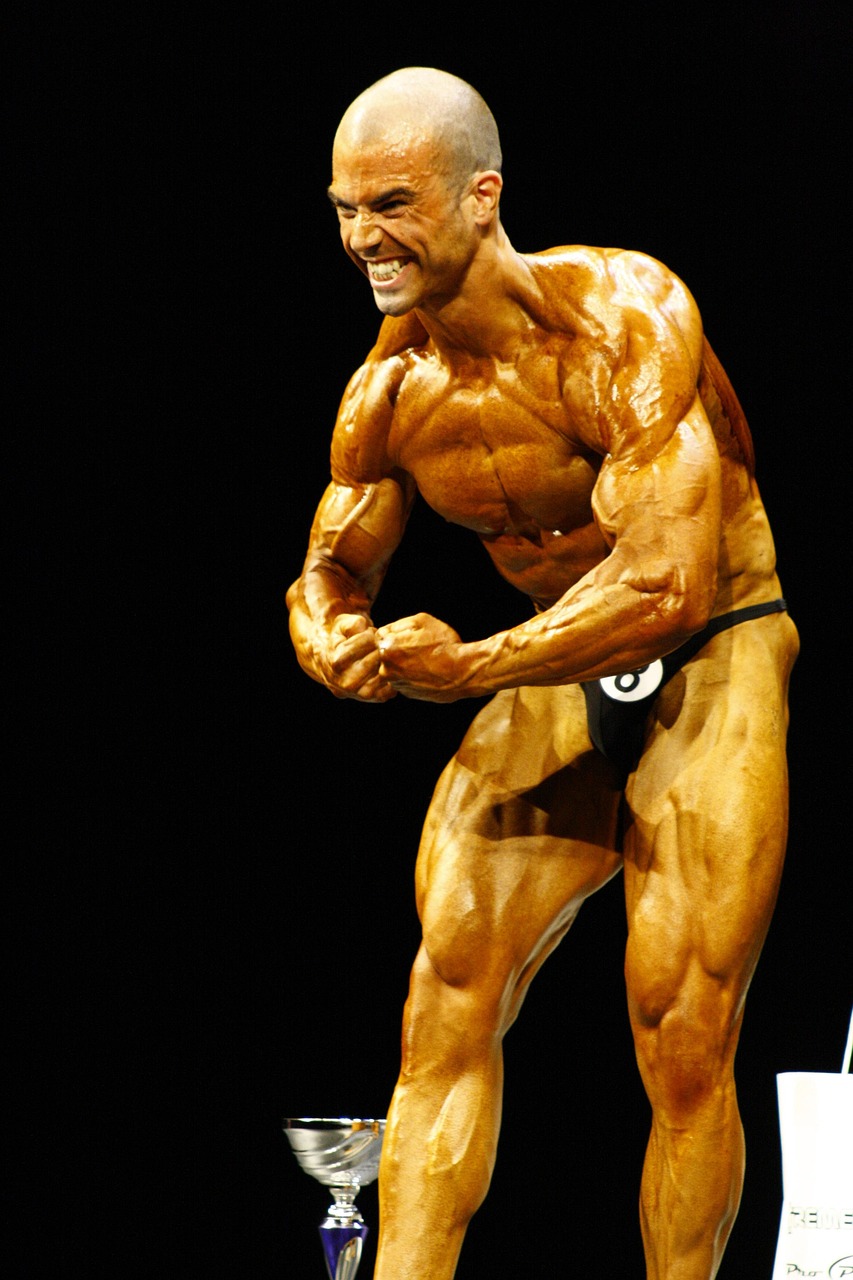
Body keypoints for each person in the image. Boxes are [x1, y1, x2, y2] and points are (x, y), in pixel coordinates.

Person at [286, 66, 798, 1280]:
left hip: (714, 647)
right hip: (549, 652)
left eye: (392, 203)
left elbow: (666, 583)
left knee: (681, 1039)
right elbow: (327, 566)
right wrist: (329, 640)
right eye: (343, 207)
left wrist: (468, 668)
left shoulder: (623, 316)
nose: (363, 237)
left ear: (480, 196)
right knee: (443, 997)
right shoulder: (388, 391)